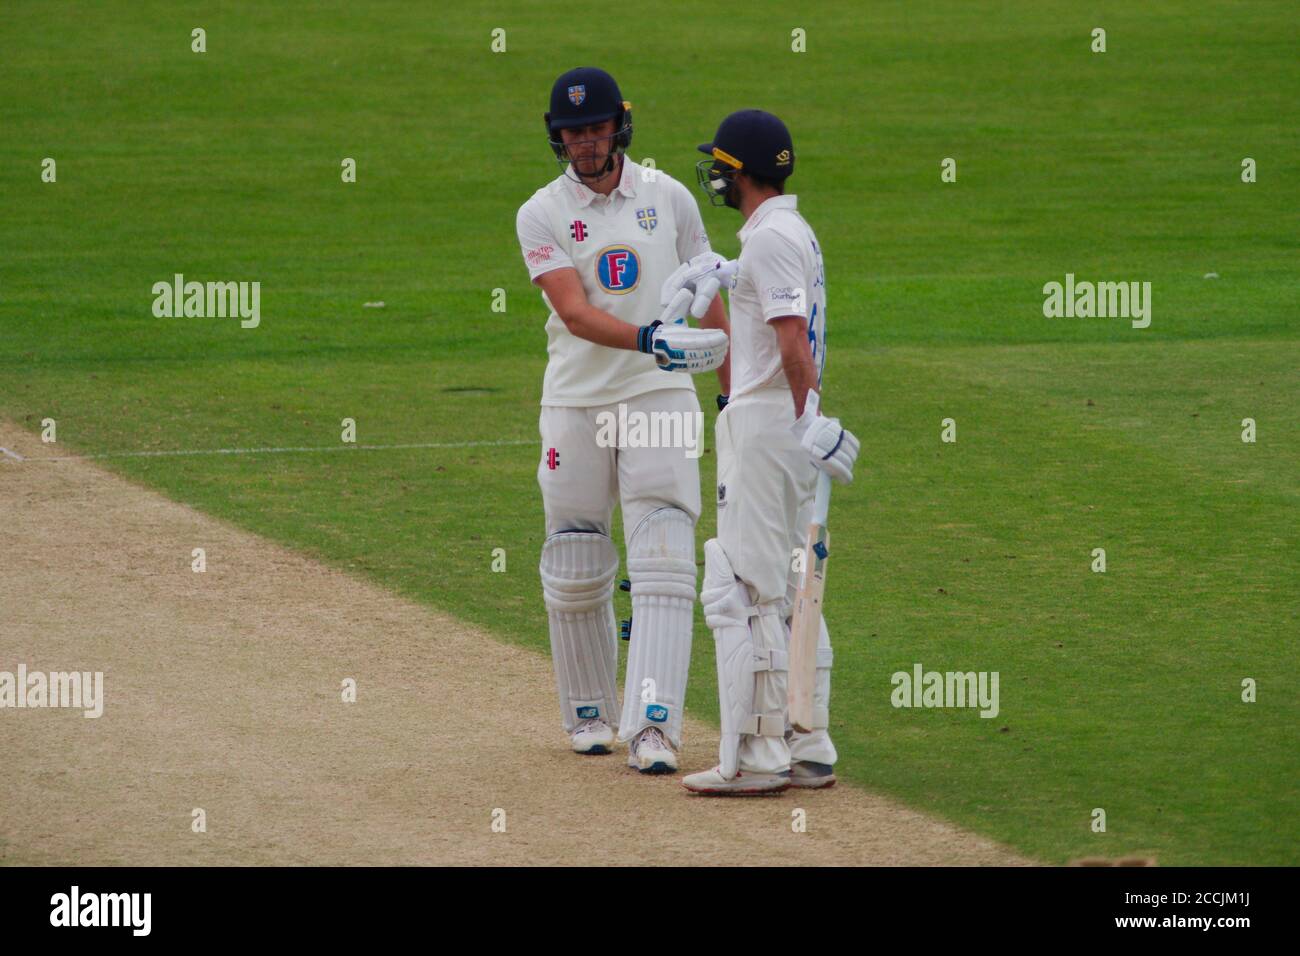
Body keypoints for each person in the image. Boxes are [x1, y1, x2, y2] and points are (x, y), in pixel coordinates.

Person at [515, 67, 731, 774]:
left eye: (595, 127)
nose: (584, 141)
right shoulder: (540, 211)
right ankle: (589, 714)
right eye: (571, 131)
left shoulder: (668, 197)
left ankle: (654, 729)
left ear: (620, 127)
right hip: (576, 400)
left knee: (666, 554)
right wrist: (648, 339)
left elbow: (706, 297)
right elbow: (574, 314)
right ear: (558, 137)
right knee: (576, 556)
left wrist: (731, 397)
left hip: (659, 398)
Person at [666, 110, 860, 795]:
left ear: (740, 173)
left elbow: (789, 343)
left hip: (769, 425)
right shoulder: (784, 232)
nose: (715, 176)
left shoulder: (772, 238)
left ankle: (756, 755)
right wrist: (730, 273)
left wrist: (810, 418)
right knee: (786, 581)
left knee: (742, 584)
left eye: (720, 165)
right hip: (785, 427)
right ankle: (807, 740)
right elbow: (777, 309)